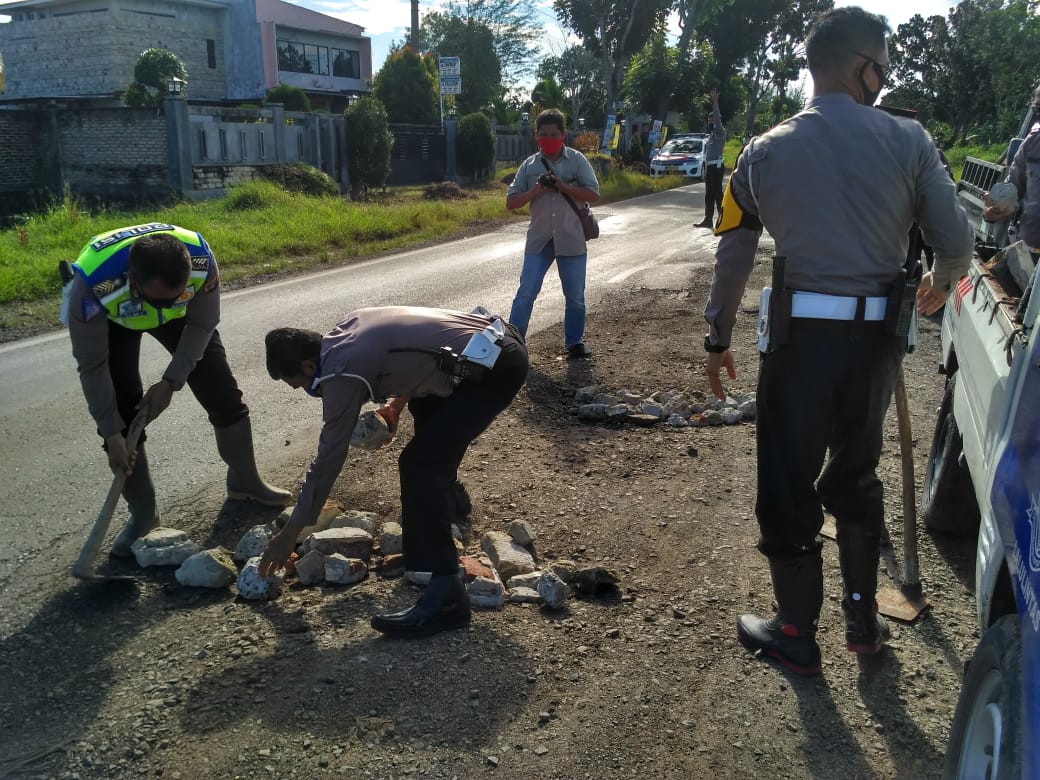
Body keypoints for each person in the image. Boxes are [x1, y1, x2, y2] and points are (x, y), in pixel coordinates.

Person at [702, 7, 973, 676]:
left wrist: (716, 337)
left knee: (787, 484)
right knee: (853, 475)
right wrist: (941, 281)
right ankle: (863, 626)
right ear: (862, 67)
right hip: (877, 342)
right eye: (881, 65)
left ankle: (796, 633)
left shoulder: (763, 151)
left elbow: (733, 250)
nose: (884, 78)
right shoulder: (910, 141)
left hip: (797, 345)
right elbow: (958, 242)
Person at [257, 306, 529, 638]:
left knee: (419, 466)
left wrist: (289, 536)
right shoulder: (348, 330)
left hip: (495, 367)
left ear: (309, 366)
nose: (304, 390)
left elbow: (327, 461)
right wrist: (395, 406)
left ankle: (446, 597)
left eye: (297, 384)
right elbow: (421, 357)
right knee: (427, 411)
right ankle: (449, 503)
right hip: (490, 344)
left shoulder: (340, 371)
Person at [65, 223, 292, 556]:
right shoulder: (92, 286)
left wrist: (171, 382)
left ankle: (245, 482)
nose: (162, 309)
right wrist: (112, 432)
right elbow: (93, 366)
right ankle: (143, 516)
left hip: (183, 317)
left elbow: (202, 323)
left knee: (222, 391)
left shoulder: (201, 262)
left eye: (175, 295)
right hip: (117, 318)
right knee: (122, 411)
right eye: (157, 298)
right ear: (132, 277)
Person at [507, 108, 601, 359]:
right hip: (539, 239)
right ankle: (513, 344)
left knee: (575, 297)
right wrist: (535, 191)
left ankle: (575, 342)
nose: (548, 138)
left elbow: (593, 194)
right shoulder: (528, 166)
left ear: (563, 134)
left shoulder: (577, 161)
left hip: (571, 237)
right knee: (525, 293)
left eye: (553, 134)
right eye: (543, 134)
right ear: (536, 135)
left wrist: (564, 187)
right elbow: (511, 202)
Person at [983, 82, 1040, 257]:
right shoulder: (1033, 141)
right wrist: (995, 209)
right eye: (1038, 109)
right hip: (1030, 251)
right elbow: (1013, 189)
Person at [695, 89, 727, 229]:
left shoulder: (720, 131)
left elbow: (718, 120)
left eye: (712, 119)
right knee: (709, 196)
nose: (711, 122)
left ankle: (724, 220)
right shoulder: (711, 135)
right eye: (709, 120)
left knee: (718, 195)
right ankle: (708, 220)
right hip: (710, 168)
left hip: (717, 167)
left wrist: (715, 103)